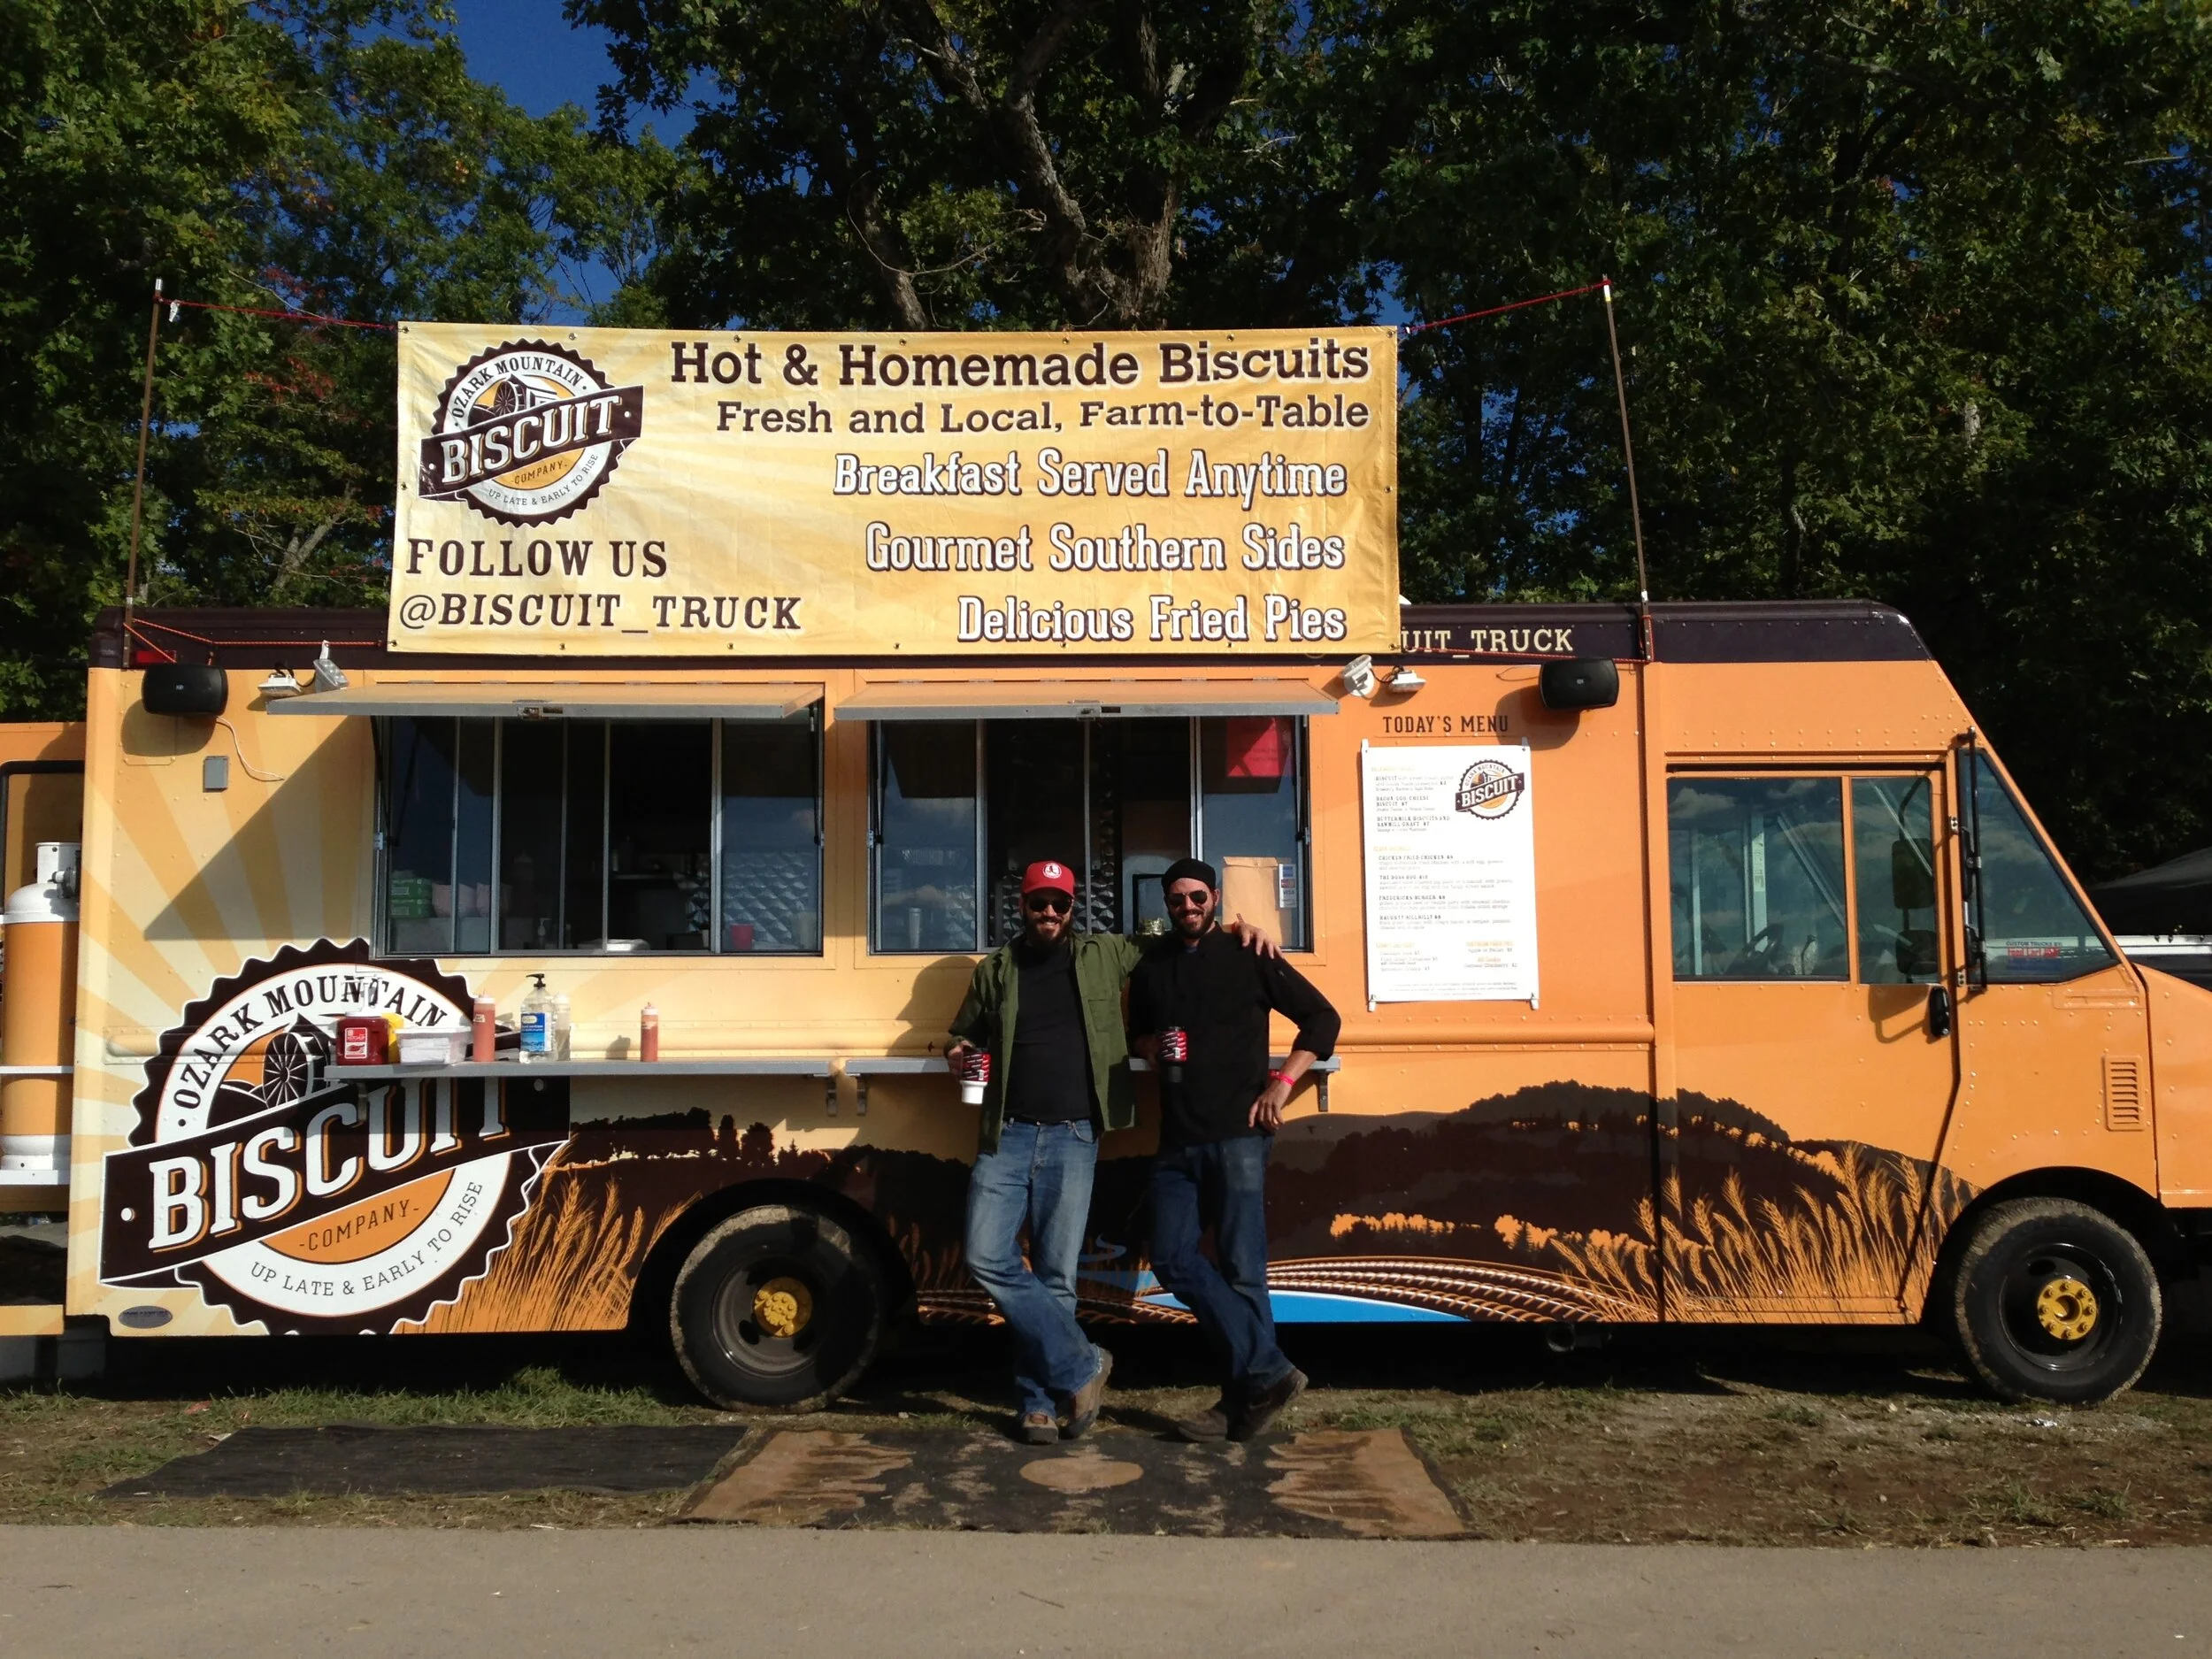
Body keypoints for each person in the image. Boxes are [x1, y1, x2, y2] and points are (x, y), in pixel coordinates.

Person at [947, 858, 1279, 1443]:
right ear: (1019, 907)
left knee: (1056, 1275)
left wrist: (1238, 928)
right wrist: (957, 1053)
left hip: (1076, 1133)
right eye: (1038, 903)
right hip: (1008, 1132)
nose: (1049, 913)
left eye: (1061, 903)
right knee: (984, 1256)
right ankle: (1081, 1364)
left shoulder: (1108, 954)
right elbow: (964, 1033)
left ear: (1075, 909)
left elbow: (1183, 927)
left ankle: (1040, 1403)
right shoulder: (995, 969)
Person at [1129, 857, 1340, 1442]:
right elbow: (1137, 1034)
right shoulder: (1152, 966)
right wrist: (1151, 1045)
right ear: (1167, 905)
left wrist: (1282, 1083)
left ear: (1215, 897)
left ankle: (1240, 1403)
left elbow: (1323, 1018)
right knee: (1172, 1257)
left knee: (1244, 1269)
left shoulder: (1249, 953)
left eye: (1197, 896)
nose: (1188, 906)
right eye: (1177, 899)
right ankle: (1267, 1370)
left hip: (1239, 1135)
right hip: (1177, 1139)